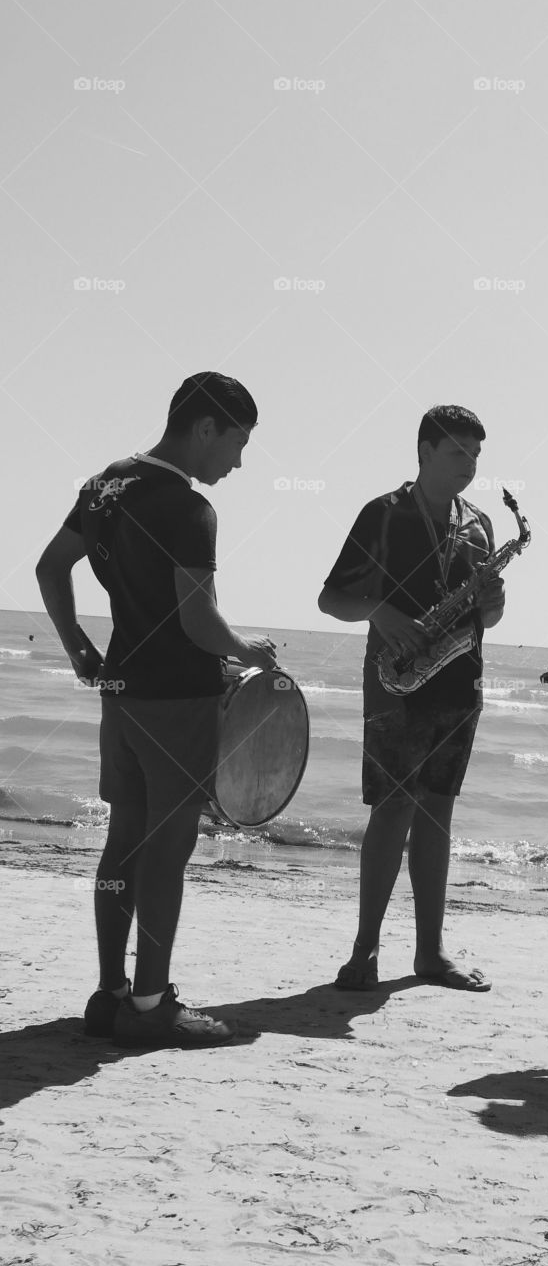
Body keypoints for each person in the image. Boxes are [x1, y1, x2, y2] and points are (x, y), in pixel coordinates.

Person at [35, 373, 276, 1047]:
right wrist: (249, 650)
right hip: (177, 698)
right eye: (238, 442)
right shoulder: (189, 508)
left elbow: (50, 568)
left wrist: (78, 646)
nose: (237, 461)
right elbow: (197, 621)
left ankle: (111, 994)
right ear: (206, 428)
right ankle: (150, 1005)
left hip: (123, 691)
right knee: (167, 852)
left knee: (123, 842)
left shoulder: (105, 485)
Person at [318, 404, 504, 993]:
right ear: (424, 452)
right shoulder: (383, 514)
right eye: (457, 452)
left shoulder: (480, 524)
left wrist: (493, 606)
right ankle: (364, 951)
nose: (469, 465)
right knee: (393, 809)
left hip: (459, 681)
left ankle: (431, 953)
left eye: (476, 454)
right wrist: (379, 610)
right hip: (394, 684)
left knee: (438, 811)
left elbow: (487, 618)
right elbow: (330, 599)